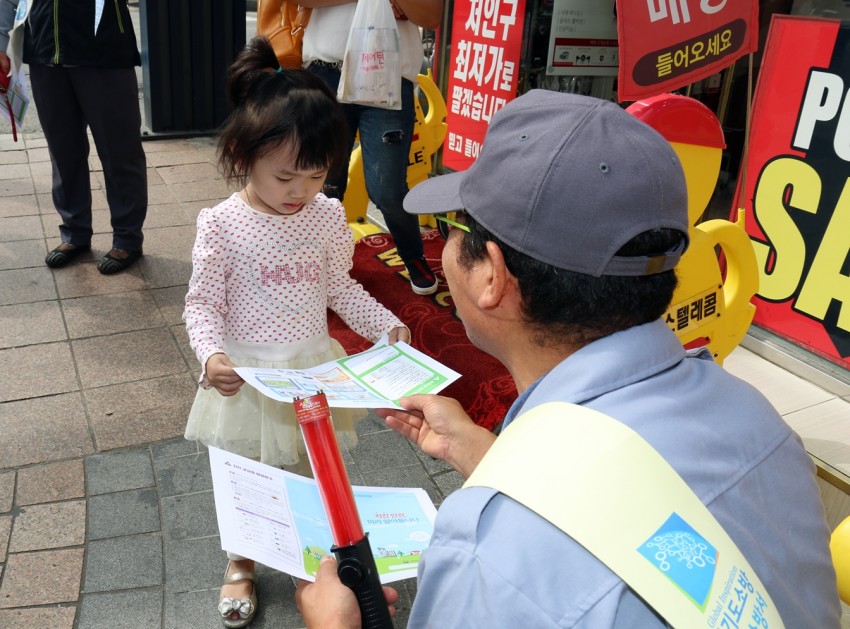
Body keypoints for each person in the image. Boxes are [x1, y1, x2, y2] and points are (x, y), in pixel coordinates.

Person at [295, 90, 841, 628]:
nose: (443, 249)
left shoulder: (488, 553)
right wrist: (492, 458)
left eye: (455, 229)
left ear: (492, 275)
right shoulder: (757, 418)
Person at [183, 37, 410, 629]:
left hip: (310, 369)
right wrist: (210, 358)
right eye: (286, 176)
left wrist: (385, 325)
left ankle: (315, 558)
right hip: (248, 376)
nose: (300, 191)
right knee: (251, 474)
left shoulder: (327, 215)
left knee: (314, 470)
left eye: (316, 176)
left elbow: (341, 290)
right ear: (242, 153)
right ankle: (242, 560)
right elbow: (201, 304)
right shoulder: (223, 225)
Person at [299, 0, 443, 296]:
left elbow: (431, 16)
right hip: (326, 72)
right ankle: (317, 262)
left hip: (388, 73)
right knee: (324, 182)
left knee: (387, 188)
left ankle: (413, 256)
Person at [0, 0, 147, 274]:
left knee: (119, 151)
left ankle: (127, 238)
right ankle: (74, 233)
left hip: (104, 52)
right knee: (63, 151)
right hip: (44, 53)